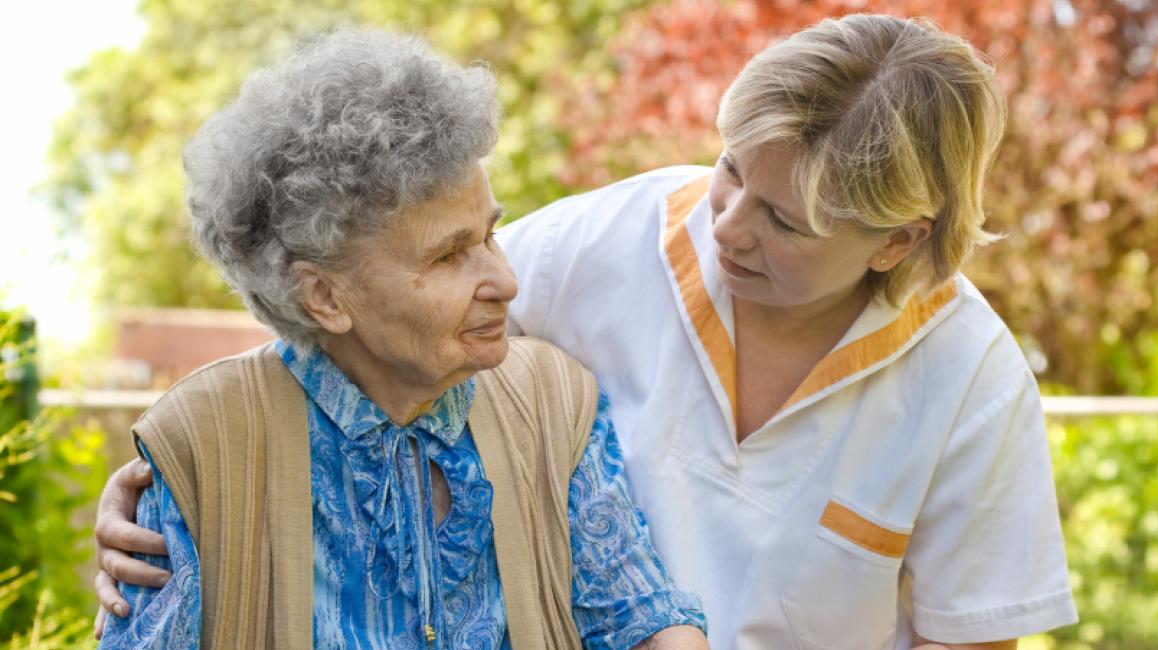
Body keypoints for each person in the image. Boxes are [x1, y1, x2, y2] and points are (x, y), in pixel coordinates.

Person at [95, 14, 1078, 649]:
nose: (726, 224)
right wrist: (183, 465)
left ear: (896, 240)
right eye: (732, 169)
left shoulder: (972, 377)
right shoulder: (610, 239)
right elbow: (352, 309)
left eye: (785, 220)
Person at [92, 29, 707, 650]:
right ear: (325, 298)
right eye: (447, 256)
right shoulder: (205, 443)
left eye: (489, 236)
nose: (505, 280)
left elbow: (637, 619)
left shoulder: (555, 403)